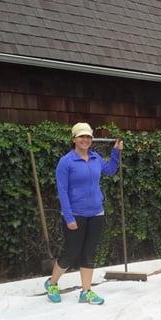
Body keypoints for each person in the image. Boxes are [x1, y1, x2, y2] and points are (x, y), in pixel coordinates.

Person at [44, 122, 123, 305]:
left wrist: (116, 152)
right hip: (75, 214)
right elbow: (62, 191)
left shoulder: (95, 158)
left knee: (89, 253)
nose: (85, 140)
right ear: (74, 139)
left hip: (96, 213)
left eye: (88, 136)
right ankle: (52, 282)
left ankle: (85, 291)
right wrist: (69, 217)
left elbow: (110, 170)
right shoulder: (66, 162)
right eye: (82, 136)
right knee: (71, 253)